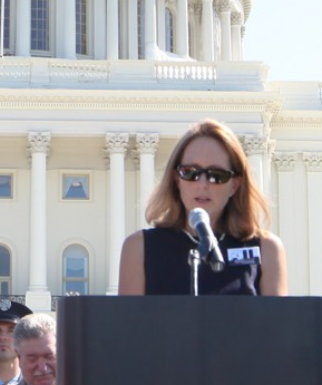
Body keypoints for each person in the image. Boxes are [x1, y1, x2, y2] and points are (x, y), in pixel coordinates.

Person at [117, 119, 287, 296]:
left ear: (234, 185)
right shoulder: (139, 248)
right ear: (176, 179)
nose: (202, 184)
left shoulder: (266, 249)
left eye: (216, 176)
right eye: (190, 172)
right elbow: (129, 322)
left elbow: (277, 322)